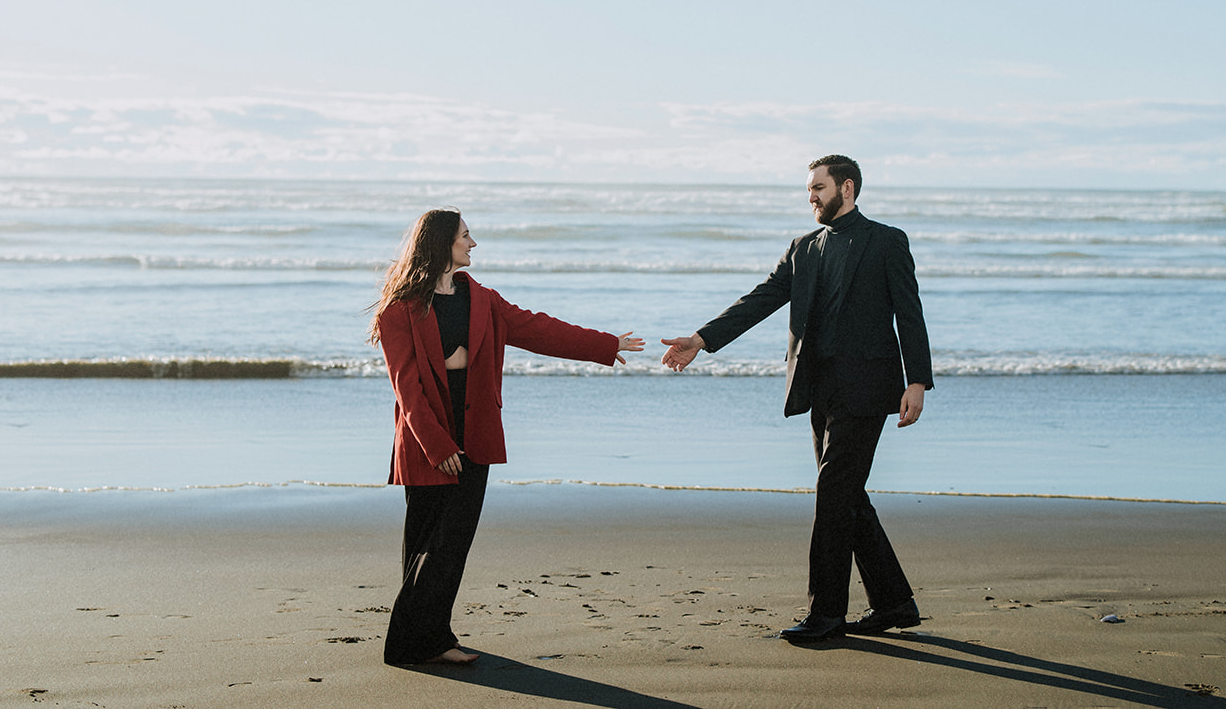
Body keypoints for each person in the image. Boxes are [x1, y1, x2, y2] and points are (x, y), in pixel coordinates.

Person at [661, 155, 932, 643]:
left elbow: (909, 313)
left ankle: (826, 615)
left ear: (846, 188)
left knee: (833, 496)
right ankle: (894, 602)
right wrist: (702, 339)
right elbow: (762, 298)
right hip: (820, 389)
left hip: (868, 390)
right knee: (847, 497)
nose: (810, 196)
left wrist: (918, 381)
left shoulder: (886, 241)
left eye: (818, 187)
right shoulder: (804, 248)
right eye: (808, 189)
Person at [369, 208, 644, 665]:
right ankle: (411, 643)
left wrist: (605, 344)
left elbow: (540, 329)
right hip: (427, 440)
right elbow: (406, 386)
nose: (473, 244)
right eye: (465, 236)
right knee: (429, 544)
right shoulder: (400, 309)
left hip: (473, 434)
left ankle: (431, 635)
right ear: (442, 244)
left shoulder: (483, 300)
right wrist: (436, 446)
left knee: (447, 544)